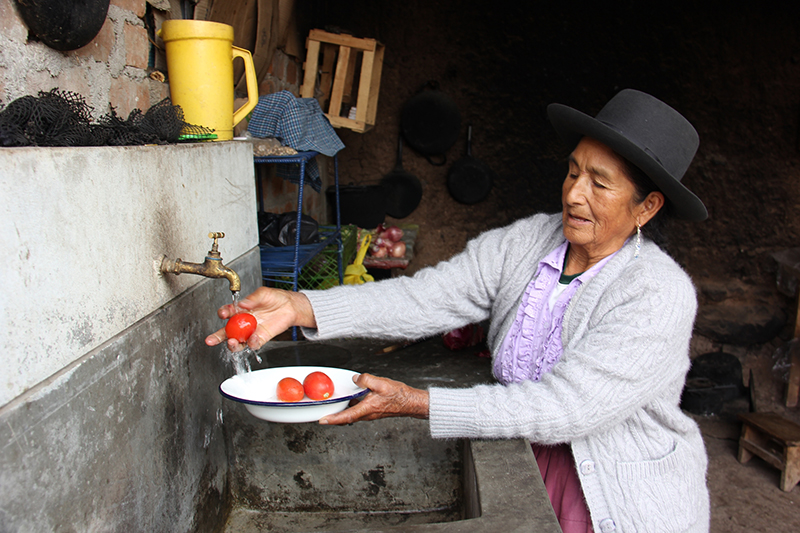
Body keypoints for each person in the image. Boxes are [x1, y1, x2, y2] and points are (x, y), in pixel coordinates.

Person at [206, 89, 710, 532]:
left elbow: (566, 409)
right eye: (573, 171)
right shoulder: (527, 242)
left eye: (599, 184)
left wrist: (421, 402)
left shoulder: (657, 294)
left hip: (615, 491)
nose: (574, 193)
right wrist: (300, 305)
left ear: (646, 208)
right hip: (523, 457)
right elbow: (426, 296)